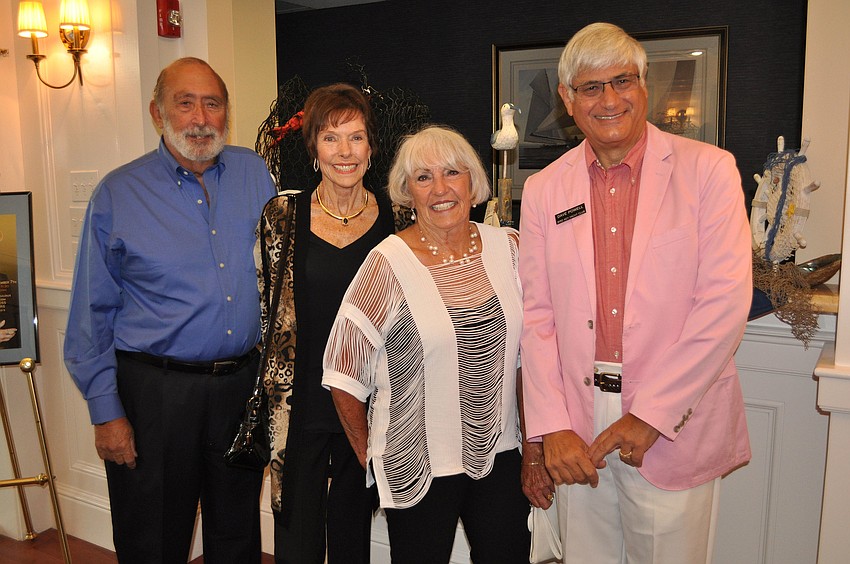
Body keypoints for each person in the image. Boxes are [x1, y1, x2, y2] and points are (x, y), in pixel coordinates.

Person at [518, 22, 753, 564]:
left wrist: (651, 415)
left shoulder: (709, 172)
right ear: (567, 99)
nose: (610, 99)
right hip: (579, 419)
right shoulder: (543, 189)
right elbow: (538, 317)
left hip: (671, 415)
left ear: (645, 86)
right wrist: (551, 426)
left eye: (622, 81)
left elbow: (723, 306)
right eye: (591, 87)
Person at [64, 57, 276, 563]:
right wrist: (106, 412)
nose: (200, 117)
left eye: (213, 103)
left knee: (237, 535)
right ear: (157, 114)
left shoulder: (254, 174)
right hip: (155, 396)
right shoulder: (118, 194)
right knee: (152, 538)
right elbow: (89, 313)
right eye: (185, 103)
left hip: (239, 390)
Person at [322, 125, 548, 564]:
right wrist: (370, 453)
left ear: (473, 182)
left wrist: (533, 448)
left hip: (501, 452)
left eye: (452, 173)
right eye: (423, 178)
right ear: (407, 192)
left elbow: (528, 360)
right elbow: (341, 371)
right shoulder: (388, 262)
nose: (440, 189)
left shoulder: (511, 249)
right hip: (418, 463)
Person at [257, 82, 410, 564]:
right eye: (330, 137)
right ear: (313, 148)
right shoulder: (281, 214)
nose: (345, 151)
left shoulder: (398, 217)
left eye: (356, 137)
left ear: (372, 147)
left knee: (352, 540)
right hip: (299, 404)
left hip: (370, 406)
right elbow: (268, 312)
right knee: (296, 541)